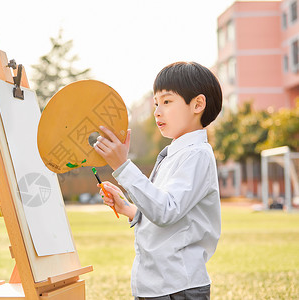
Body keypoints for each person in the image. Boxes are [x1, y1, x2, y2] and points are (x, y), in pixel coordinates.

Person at [93, 61, 222, 300]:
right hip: (156, 285)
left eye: (167, 101)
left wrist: (122, 166)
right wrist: (128, 209)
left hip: (178, 287)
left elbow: (166, 211)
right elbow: (167, 216)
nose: (157, 111)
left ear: (198, 104)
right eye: (155, 103)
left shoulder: (197, 155)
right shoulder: (175, 154)